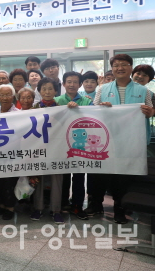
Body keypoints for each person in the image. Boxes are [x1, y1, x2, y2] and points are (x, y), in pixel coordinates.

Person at [87, 54, 153, 224]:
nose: (120, 68)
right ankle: (96, 205)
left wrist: (150, 113)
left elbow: (150, 110)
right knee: (101, 174)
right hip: (107, 140)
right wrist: (101, 108)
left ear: (131, 67)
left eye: (124, 65)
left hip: (131, 141)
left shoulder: (143, 90)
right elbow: (94, 110)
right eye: (116, 65)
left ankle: (120, 209)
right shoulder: (102, 89)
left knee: (123, 177)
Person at [55, 71, 93, 220]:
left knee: (79, 176)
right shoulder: (56, 100)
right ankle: (63, 202)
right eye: (68, 81)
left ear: (80, 84)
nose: (71, 84)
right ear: (64, 84)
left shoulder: (87, 101)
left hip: (80, 145)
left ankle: (77, 205)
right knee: (62, 176)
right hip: (60, 144)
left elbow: (96, 118)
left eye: (75, 82)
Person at [29, 77, 64, 224]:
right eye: (44, 89)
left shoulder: (63, 109)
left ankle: (56, 210)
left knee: (57, 180)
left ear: (56, 91)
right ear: (39, 91)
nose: (47, 91)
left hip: (57, 150)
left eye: (50, 88)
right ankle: (38, 208)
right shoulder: (32, 110)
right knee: (38, 178)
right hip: (39, 149)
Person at [0, 84, 20, 220]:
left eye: (8, 95)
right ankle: (1, 205)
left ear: (13, 97)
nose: (5, 98)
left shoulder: (19, 114)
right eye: (2, 95)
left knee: (10, 182)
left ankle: (10, 207)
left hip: (12, 155)